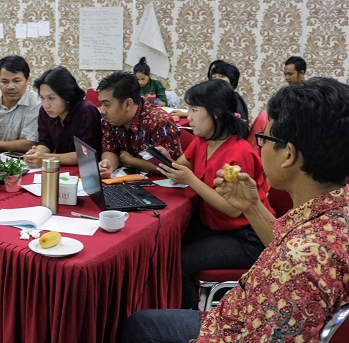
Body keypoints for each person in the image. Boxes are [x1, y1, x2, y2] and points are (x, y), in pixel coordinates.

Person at [121, 77, 349, 342]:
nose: (259, 148)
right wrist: (252, 205)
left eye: (264, 138)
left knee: (142, 324)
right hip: (237, 314)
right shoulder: (330, 213)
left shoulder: (300, 262)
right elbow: (281, 240)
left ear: (288, 155)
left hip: (230, 328)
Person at [155, 79, 273, 309]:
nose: (188, 116)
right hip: (214, 225)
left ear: (216, 114)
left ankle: (191, 321)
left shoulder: (239, 153)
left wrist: (190, 180)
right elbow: (181, 166)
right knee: (163, 245)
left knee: (178, 262)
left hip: (246, 235)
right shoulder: (202, 142)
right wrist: (162, 159)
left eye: (194, 110)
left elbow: (232, 209)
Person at [97, 71, 182, 178]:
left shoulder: (160, 122)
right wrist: (107, 164)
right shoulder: (110, 119)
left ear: (128, 104)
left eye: (107, 105)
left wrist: (132, 161)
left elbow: (173, 167)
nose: (102, 110)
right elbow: (110, 149)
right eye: (101, 104)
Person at [23, 66, 101, 168]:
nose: (46, 104)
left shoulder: (86, 111)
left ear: (67, 96)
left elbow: (87, 154)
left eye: (51, 98)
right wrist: (37, 153)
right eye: (42, 98)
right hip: (60, 167)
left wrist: (46, 158)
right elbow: (45, 142)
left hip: (86, 169)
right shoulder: (45, 111)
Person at [0, 55, 41, 153]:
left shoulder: (36, 103)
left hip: (20, 162)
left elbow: (30, 143)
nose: (10, 87)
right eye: (4, 82)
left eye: (16, 81)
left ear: (27, 80)